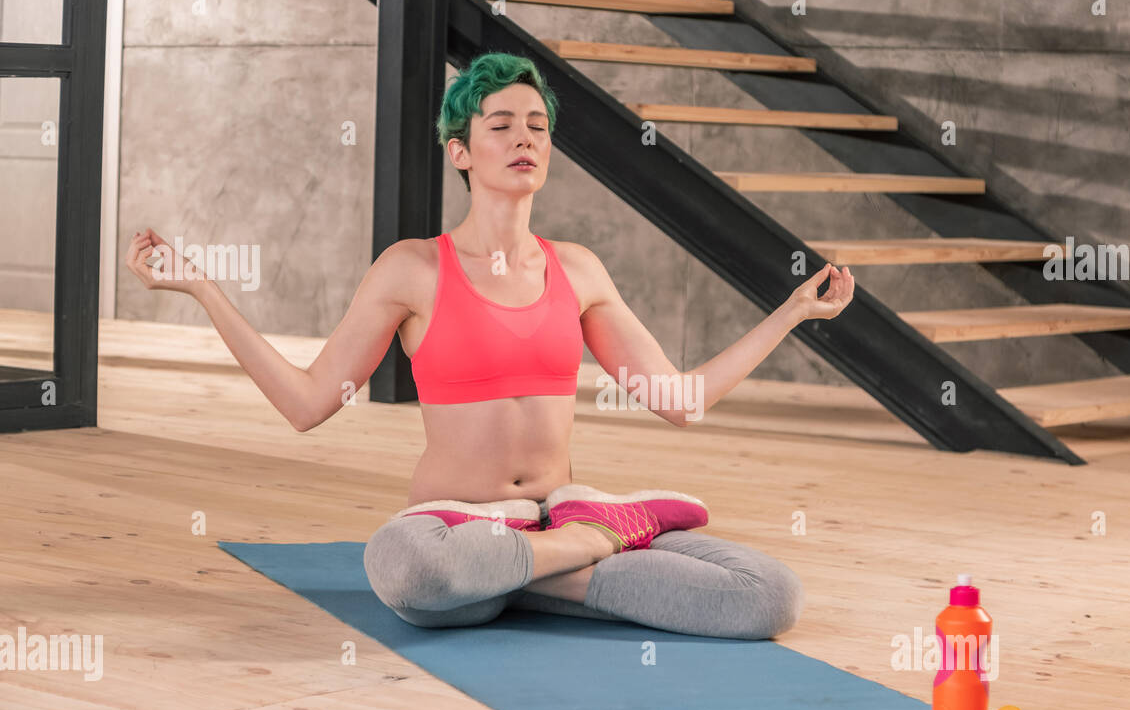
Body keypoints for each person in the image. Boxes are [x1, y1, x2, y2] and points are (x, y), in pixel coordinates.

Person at [125, 51, 854, 640]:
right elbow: (308, 403)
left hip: (548, 517)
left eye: (537, 126)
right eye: (500, 124)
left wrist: (791, 311)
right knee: (408, 569)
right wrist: (204, 289)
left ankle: (540, 562)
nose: (525, 138)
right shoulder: (410, 270)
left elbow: (682, 402)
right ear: (461, 151)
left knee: (767, 596)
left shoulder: (577, 270)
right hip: (453, 530)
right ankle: (599, 542)